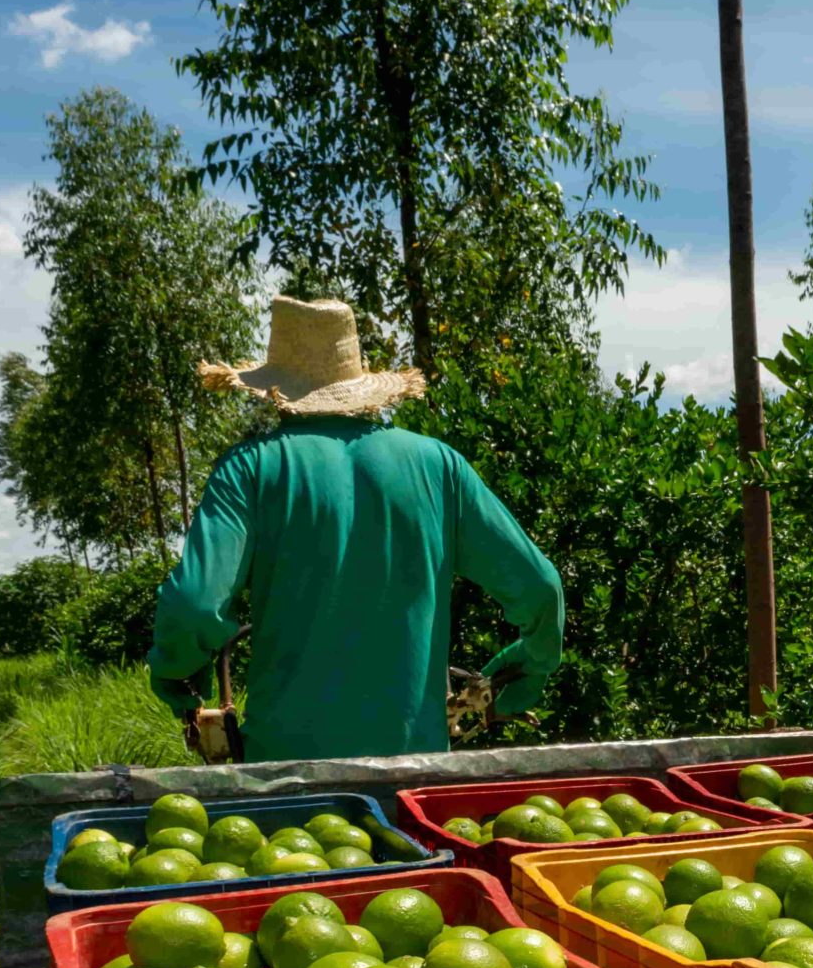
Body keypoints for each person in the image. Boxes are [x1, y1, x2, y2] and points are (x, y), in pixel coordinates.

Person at [146, 296, 564, 760]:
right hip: (417, 773)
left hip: (287, 776)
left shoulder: (248, 469)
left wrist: (178, 677)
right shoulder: (440, 467)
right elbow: (541, 587)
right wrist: (530, 665)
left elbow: (194, 604)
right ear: (359, 382)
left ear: (272, 388)